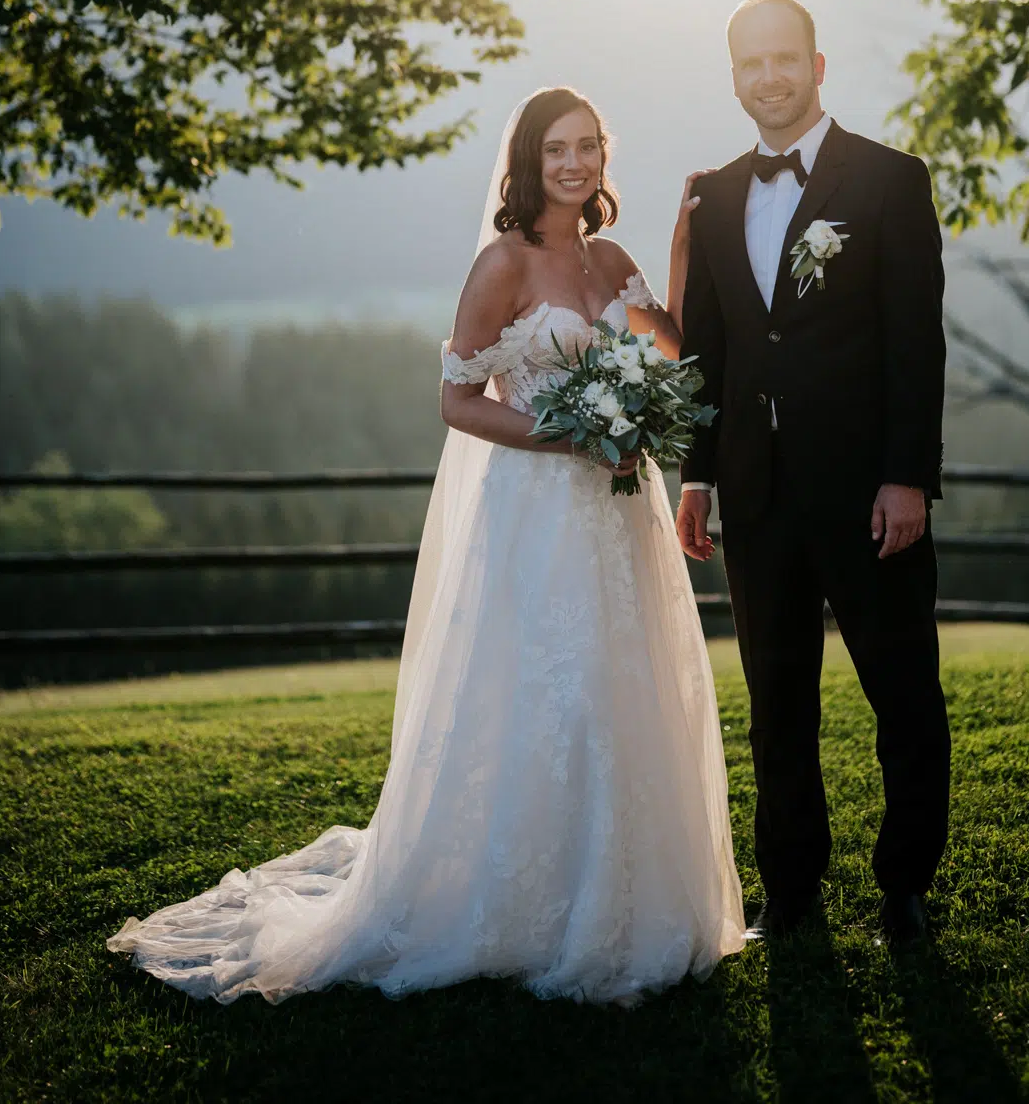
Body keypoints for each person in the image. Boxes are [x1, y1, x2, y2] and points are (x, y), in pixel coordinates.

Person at [108, 87, 744, 1004]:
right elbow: (456, 401)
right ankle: (518, 902)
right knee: (536, 690)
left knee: (623, 684)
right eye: (555, 150)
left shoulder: (612, 258)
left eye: (588, 148)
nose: (574, 164)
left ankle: (627, 894)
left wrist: (679, 257)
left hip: (617, 512)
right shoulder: (503, 266)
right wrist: (565, 435)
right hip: (536, 511)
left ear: (604, 158)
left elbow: (670, 354)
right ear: (526, 164)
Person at [676, 0, 950, 946]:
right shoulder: (712, 194)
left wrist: (907, 475)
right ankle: (790, 890)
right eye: (751, 63)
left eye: (785, 59)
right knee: (776, 703)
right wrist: (698, 474)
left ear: (818, 66)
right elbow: (707, 348)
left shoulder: (888, 180)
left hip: (870, 492)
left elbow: (918, 343)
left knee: (903, 691)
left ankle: (904, 885)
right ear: (735, 76)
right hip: (756, 494)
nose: (770, 78)